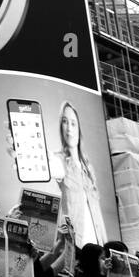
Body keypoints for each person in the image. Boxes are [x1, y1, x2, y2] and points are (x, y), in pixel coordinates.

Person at [54, 102, 106, 248]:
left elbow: (98, 213)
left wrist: (105, 245)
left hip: (97, 245)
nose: (69, 128)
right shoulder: (58, 160)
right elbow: (47, 165)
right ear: (60, 127)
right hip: (77, 245)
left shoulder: (87, 166)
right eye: (64, 122)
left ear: (78, 128)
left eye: (73, 123)